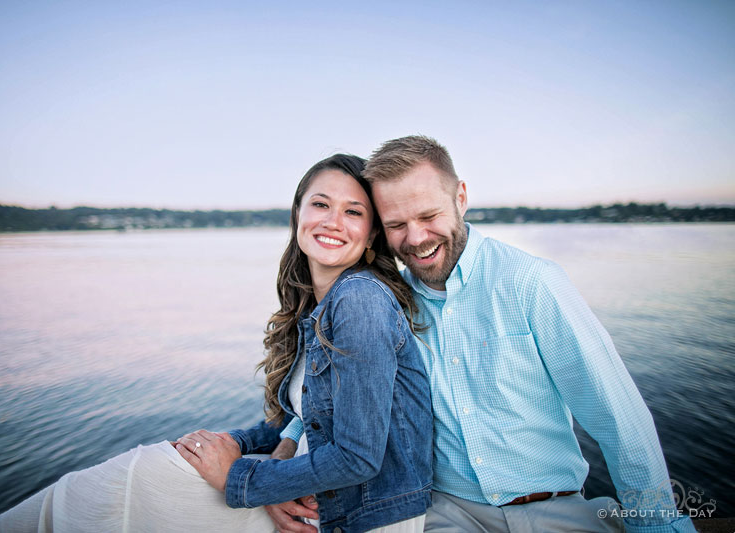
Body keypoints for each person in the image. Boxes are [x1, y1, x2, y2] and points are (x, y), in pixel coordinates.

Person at [0, 154, 433, 533]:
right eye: (321, 205)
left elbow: (358, 457)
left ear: (371, 234)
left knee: (134, 479)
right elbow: (305, 415)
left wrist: (241, 479)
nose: (334, 221)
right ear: (297, 215)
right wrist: (233, 440)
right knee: (155, 469)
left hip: (363, 514)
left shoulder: (359, 300)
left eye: (354, 212)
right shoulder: (318, 305)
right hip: (320, 493)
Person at [279, 136, 695, 533]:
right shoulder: (391, 303)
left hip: (553, 507)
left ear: (460, 198)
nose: (417, 238)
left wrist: (657, 523)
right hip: (444, 512)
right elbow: (331, 389)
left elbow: (616, 416)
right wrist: (287, 444)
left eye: (428, 216)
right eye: (397, 225)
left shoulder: (531, 282)